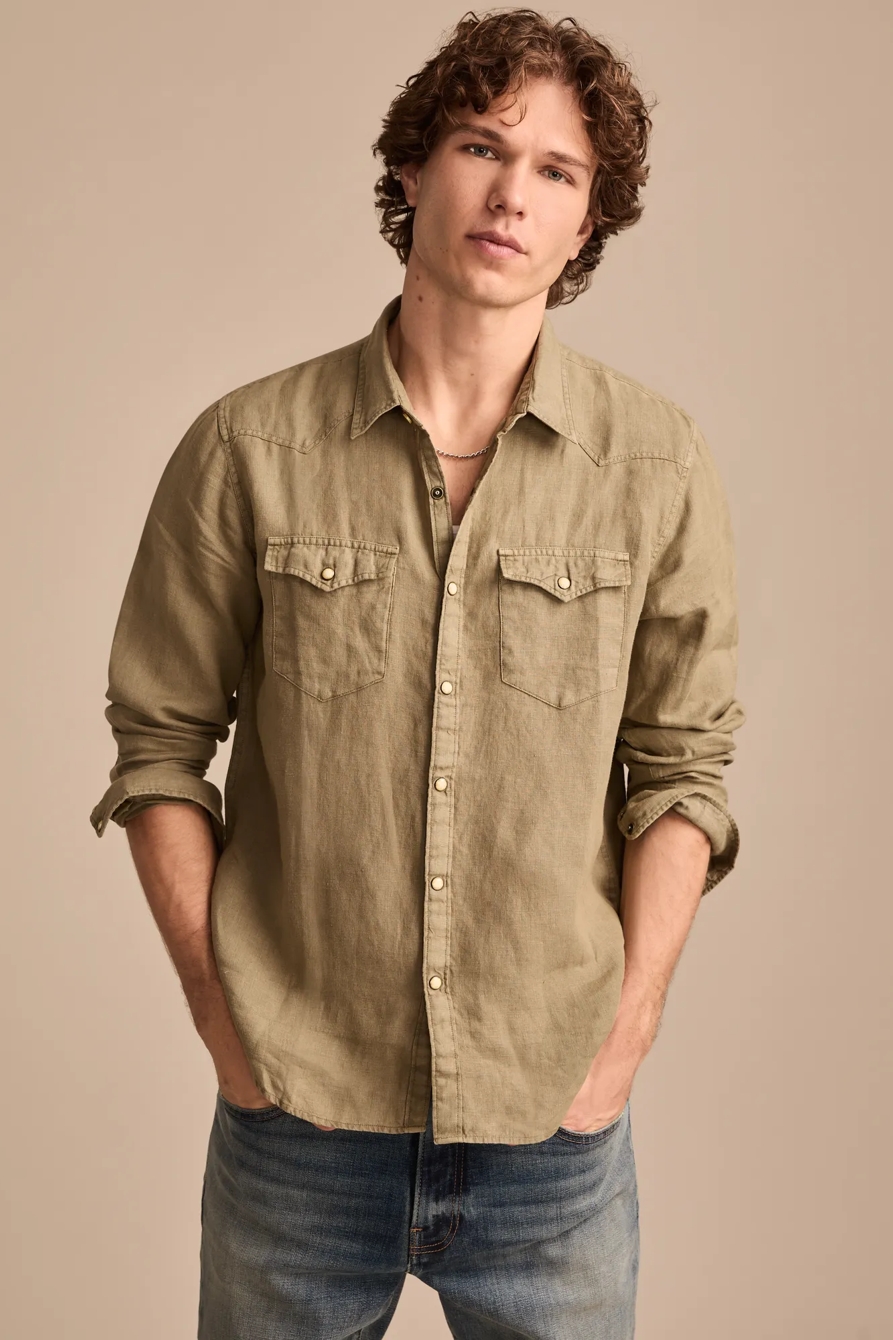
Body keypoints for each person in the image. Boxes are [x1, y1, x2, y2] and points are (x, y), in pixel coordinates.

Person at [89, 8, 745, 1337]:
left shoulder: (655, 465)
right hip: (298, 1122)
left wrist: (622, 1040)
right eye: (480, 146)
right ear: (411, 168)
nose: (511, 194)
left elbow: (682, 772)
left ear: (587, 221)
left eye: (556, 171)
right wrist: (223, 1021)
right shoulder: (248, 449)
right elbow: (158, 744)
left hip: (551, 1134)